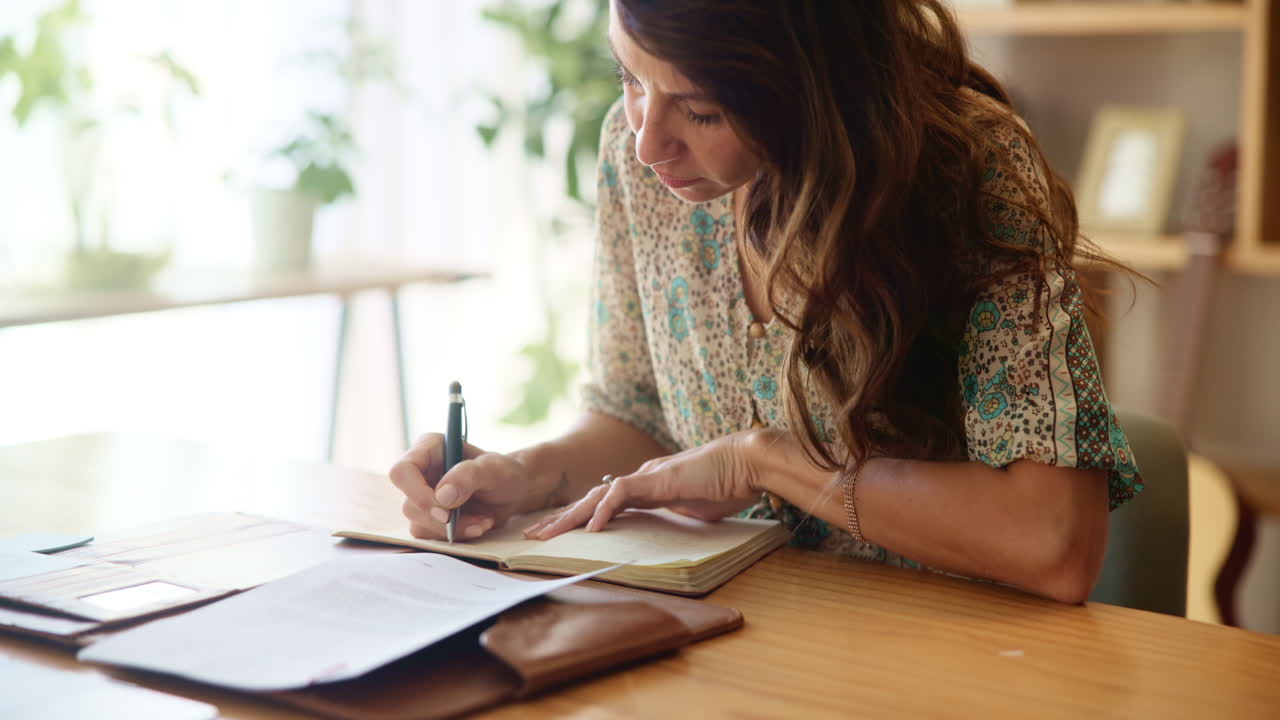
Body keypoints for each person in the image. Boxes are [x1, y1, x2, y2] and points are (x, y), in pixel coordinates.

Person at [390, 0, 1142, 604]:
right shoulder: (634, 154)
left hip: (931, 656)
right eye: (630, 77)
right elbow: (637, 413)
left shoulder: (970, 168)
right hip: (733, 635)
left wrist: (768, 463)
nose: (649, 140)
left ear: (815, 84)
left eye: (704, 111)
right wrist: (529, 473)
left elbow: (1054, 542)